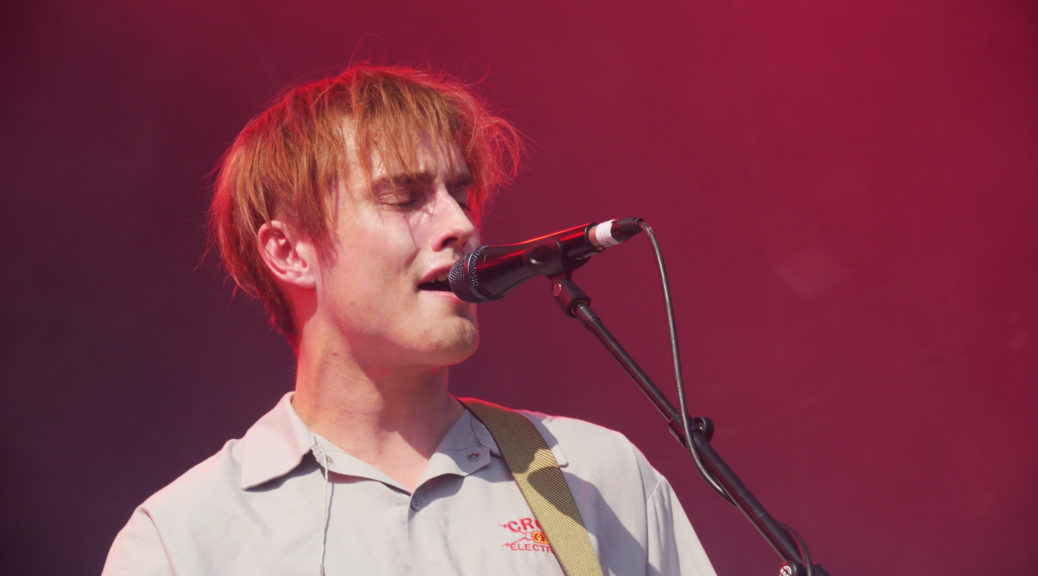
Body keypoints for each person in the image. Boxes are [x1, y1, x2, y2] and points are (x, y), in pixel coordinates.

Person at [102, 63, 716, 576]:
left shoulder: (597, 476)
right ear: (288, 252)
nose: (461, 224)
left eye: (461, 195)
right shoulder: (184, 539)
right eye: (405, 197)